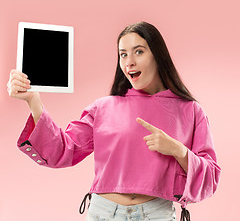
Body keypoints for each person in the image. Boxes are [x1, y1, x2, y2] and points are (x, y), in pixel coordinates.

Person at [7, 22, 221, 221]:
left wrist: (178, 150)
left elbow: (210, 177)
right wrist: (34, 103)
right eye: (123, 54)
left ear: (158, 55)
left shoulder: (190, 111)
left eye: (139, 51)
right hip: (104, 213)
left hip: (157, 214)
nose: (129, 62)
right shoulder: (103, 107)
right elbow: (63, 149)